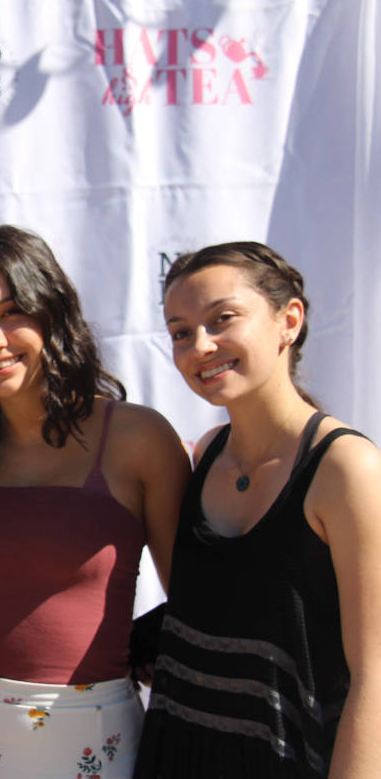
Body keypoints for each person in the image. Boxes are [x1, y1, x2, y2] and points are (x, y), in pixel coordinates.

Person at [0, 225, 189, 778]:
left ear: (53, 312)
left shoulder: (139, 440)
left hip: (93, 735)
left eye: (13, 312)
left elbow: (197, 601)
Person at [133, 242, 381, 778]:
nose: (201, 345)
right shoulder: (205, 453)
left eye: (223, 319)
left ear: (288, 320)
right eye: (180, 332)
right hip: (177, 752)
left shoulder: (347, 470)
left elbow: (374, 677)